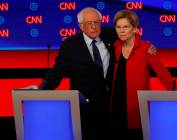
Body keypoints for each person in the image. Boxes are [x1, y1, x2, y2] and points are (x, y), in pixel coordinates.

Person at [30, 7, 156, 140]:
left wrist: (148, 46)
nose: (94, 27)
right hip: (85, 111)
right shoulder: (70, 44)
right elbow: (57, 72)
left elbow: (131, 37)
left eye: (96, 22)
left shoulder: (111, 35)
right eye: (89, 23)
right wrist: (41, 89)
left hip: (112, 108)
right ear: (80, 25)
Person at [111, 9, 174, 140]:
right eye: (118, 27)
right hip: (115, 106)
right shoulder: (113, 46)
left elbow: (163, 75)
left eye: (126, 27)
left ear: (134, 29)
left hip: (137, 109)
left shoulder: (146, 48)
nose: (121, 30)